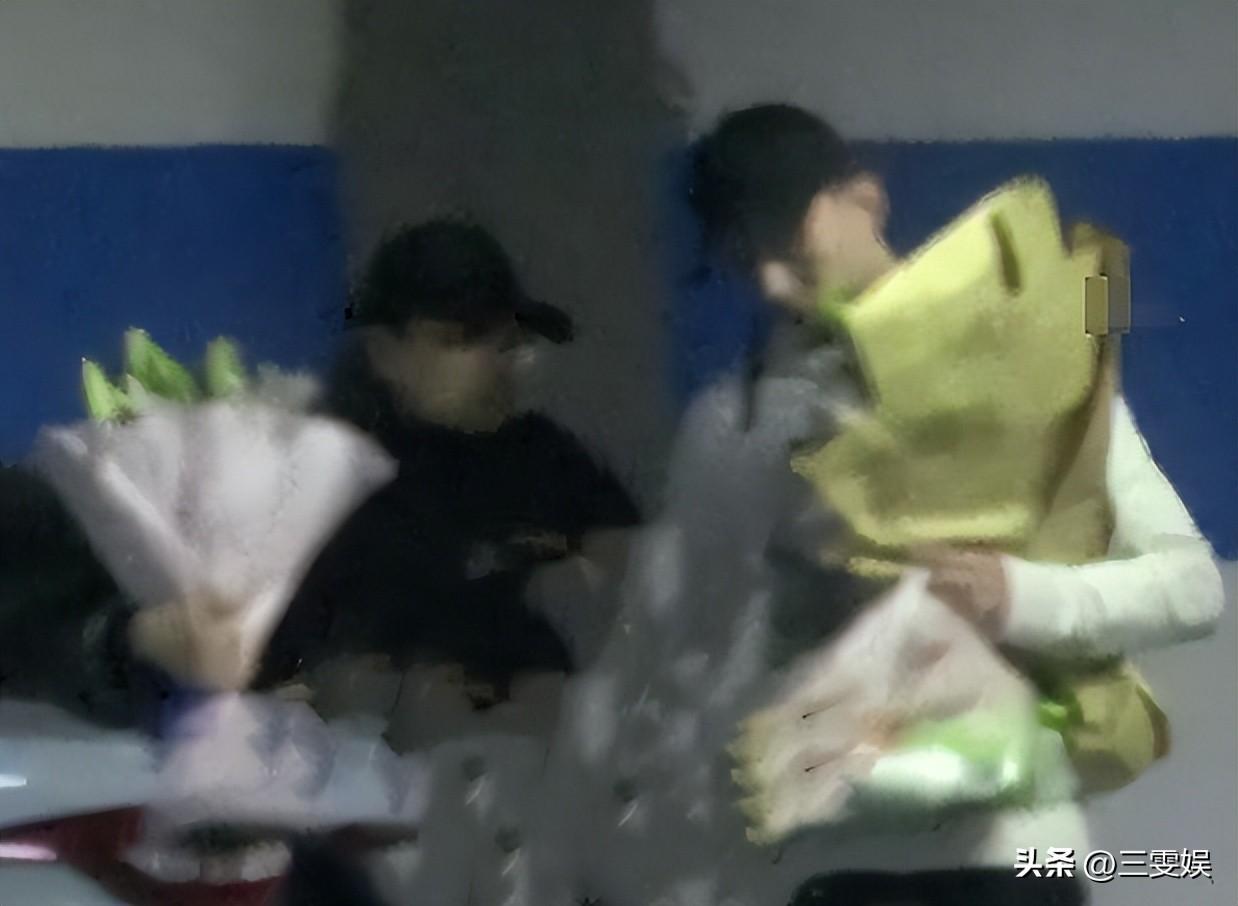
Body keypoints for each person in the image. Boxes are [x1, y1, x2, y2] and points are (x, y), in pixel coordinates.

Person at [679, 104, 1224, 906]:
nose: (769, 281)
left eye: (786, 241)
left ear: (865, 199)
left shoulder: (1035, 372)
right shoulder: (731, 424)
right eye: (741, 257)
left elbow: (1191, 586)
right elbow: (699, 658)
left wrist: (1019, 597)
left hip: (1016, 857)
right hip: (829, 865)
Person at [260, 219, 640, 711]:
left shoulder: (542, 453)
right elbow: (308, 672)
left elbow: (639, 567)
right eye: (462, 340)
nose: (494, 364)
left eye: (508, 341)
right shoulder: (335, 483)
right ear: (386, 353)